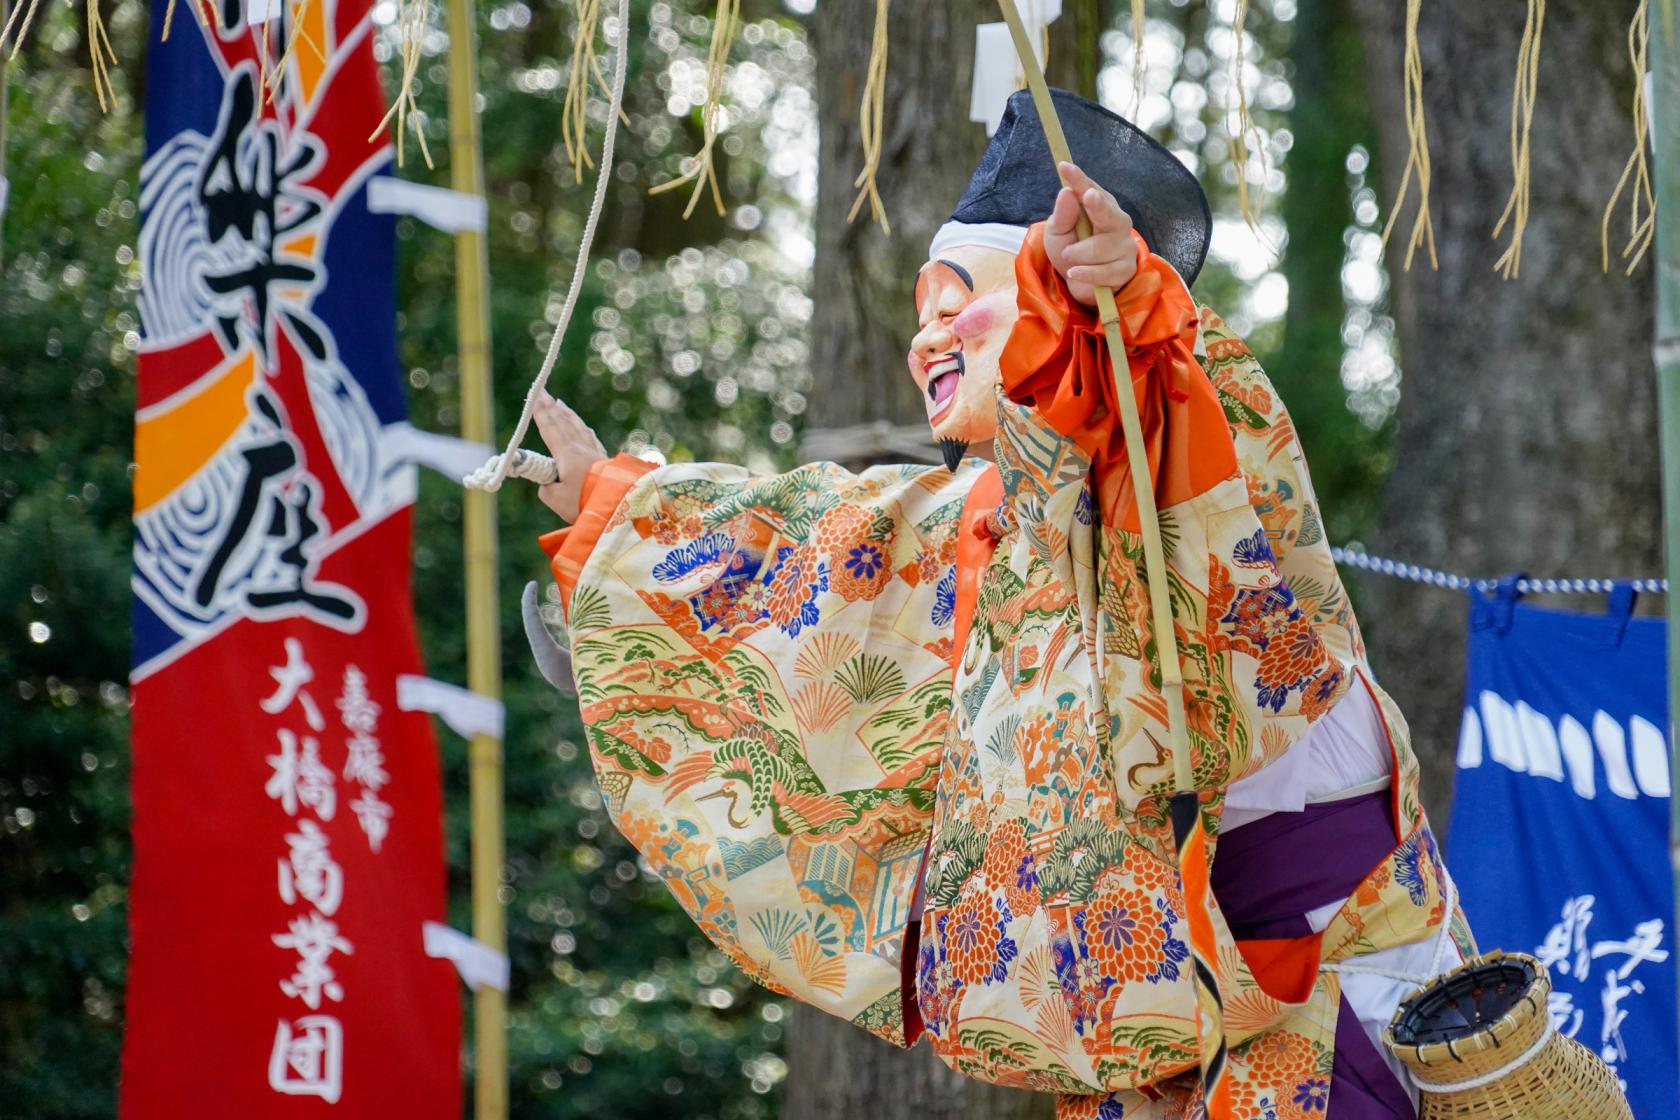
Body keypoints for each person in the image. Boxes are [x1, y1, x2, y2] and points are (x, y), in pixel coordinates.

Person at [531, 90, 1471, 1119]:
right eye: (920, 311)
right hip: (1148, 1038)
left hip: (1325, 995)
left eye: (956, 300)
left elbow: (1130, 375)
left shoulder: (1178, 412)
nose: (926, 337)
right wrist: (613, 513)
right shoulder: (962, 522)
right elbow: (788, 553)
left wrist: (1107, 290)